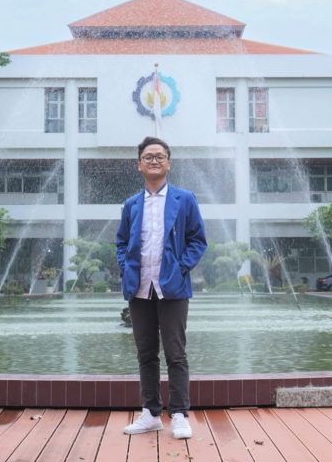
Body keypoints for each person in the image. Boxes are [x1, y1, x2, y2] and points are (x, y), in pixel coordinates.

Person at [116, 136, 207, 439]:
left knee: (175, 354)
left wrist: (181, 268)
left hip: (173, 287)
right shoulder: (132, 204)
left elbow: (197, 240)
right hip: (139, 287)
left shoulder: (185, 199)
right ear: (139, 165)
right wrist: (125, 267)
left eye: (159, 156)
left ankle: (179, 414)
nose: (154, 160)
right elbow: (121, 242)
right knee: (146, 353)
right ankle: (150, 414)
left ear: (168, 163)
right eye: (148, 157)